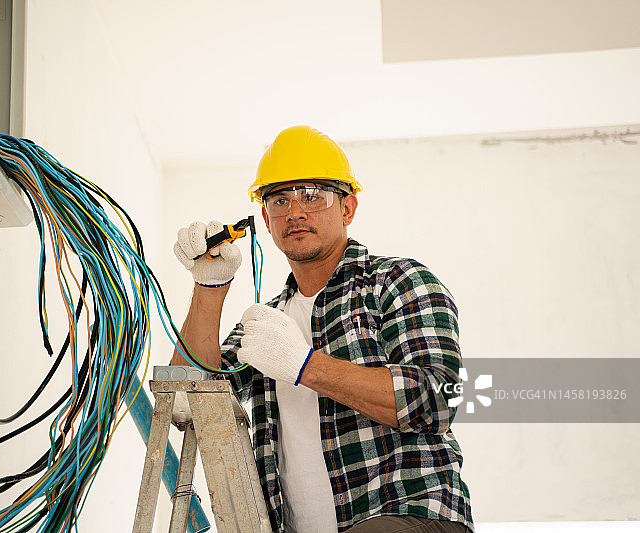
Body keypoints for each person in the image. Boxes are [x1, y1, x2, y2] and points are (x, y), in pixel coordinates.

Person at [171, 125, 473, 533]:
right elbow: (186, 400)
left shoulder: (398, 281)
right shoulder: (265, 325)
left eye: (312, 195)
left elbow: (436, 400)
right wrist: (209, 289)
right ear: (266, 217)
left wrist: (305, 366)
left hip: (407, 514)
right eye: (280, 199)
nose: (295, 211)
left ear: (348, 208)